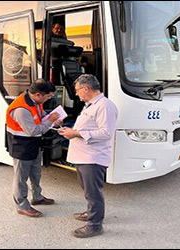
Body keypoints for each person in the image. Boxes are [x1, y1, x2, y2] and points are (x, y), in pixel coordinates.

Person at [58, 74, 118, 238]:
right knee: (88, 191)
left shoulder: (105, 106)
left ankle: (95, 225)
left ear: (86, 89)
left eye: (77, 90)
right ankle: (92, 213)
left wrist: (75, 133)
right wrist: (70, 132)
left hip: (93, 158)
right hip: (83, 156)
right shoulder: (91, 104)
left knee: (93, 193)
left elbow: (106, 133)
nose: (76, 94)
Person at [6, 79, 63, 218]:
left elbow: (39, 117)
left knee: (36, 173)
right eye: (48, 96)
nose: (49, 98)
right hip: (22, 146)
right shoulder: (21, 109)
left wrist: (51, 119)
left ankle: (37, 197)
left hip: (33, 144)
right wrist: (50, 121)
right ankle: (22, 206)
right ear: (38, 94)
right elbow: (34, 131)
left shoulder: (34, 102)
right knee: (21, 178)